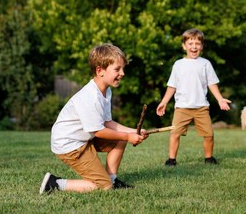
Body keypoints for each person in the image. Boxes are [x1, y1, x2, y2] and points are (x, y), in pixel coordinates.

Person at [39, 43, 148, 194]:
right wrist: (128, 136)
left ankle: (112, 178)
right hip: (70, 145)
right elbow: (99, 131)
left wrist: (134, 132)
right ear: (100, 71)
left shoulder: (106, 91)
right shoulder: (90, 97)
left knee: (120, 140)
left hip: (83, 138)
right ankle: (54, 183)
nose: (122, 73)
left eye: (123, 68)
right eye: (117, 69)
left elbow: (107, 122)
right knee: (104, 187)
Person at [156, 28, 231, 166]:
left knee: (208, 134)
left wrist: (220, 99)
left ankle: (209, 158)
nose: (194, 47)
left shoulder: (205, 64)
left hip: (201, 107)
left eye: (197, 44)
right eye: (190, 44)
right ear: (184, 46)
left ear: (201, 46)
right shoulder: (178, 64)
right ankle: (171, 159)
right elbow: (172, 85)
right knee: (175, 134)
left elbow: (212, 84)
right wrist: (164, 101)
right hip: (182, 108)